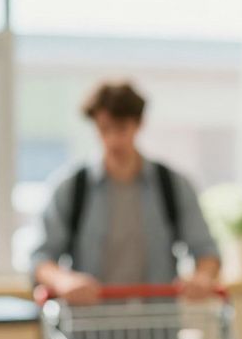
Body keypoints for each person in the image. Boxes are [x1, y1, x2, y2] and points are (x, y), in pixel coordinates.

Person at [32, 82, 220, 304]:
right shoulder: (71, 188)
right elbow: (41, 258)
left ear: (139, 124)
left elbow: (206, 250)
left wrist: (202, 277)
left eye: (121, 128)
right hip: (89, 329)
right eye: (104, 129)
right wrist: (63, 281)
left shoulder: (172, 185)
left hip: (157, 325)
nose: (113, 140)